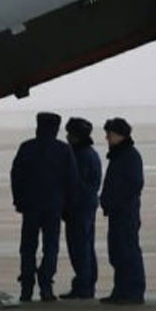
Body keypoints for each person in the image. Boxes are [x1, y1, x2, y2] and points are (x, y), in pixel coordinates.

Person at [10, 112, 78, 302]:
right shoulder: (63, 150)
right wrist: (68, 205)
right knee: (51, 247)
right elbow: (71, 181)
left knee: (28, 247)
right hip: (53, 206)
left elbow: (16, 176)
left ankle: (26, 287)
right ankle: (46, 284)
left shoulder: (27, 147)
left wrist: (18, 200)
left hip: (30, 206)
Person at [99, 118, 145, 305]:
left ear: (120, 135)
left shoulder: (129, 155)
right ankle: (121, 291)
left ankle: (133, 291)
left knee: (128, 252)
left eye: (110, 135)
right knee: (118, 253)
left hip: (125, 213)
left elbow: (134, 184)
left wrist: (116, 202)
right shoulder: (120, 155)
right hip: (118, 212)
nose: (107, 138)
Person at [61, 117, 101, 300]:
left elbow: (75, 184)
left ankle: (84, 286)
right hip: (86, 206)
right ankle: (87, 284)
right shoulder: (90, 153)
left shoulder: (79, 156)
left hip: (79, 208)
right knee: (86, 247)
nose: (67, 137)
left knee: (79, 249)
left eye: (70, 133)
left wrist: (67, 205)